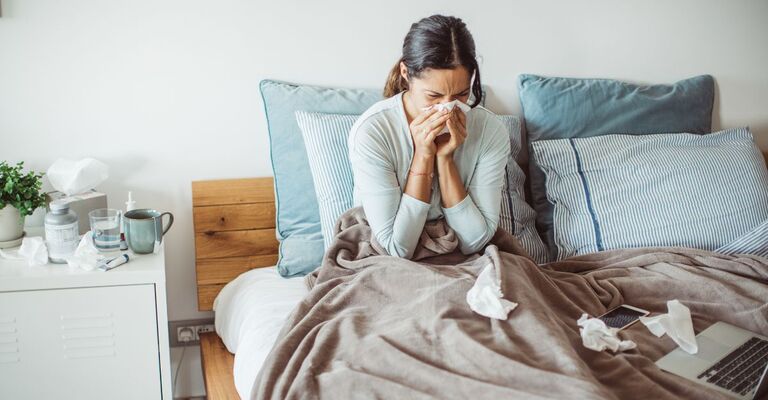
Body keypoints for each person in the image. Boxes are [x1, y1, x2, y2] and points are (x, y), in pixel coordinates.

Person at [348, 14, 509, 259]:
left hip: (464, 258)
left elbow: (475, 241)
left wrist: (445, 161)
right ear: (405, 72)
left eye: (461, 94)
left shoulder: (490, 130)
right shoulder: (374, 132)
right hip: (386, 259)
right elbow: (397, 248)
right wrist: (423, 155)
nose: (448, 107)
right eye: (434, 96)